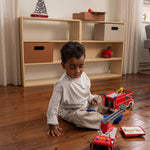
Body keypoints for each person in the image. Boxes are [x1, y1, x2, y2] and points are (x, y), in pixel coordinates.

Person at [47, 41, 103, 136]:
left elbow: (85, 89)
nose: (77, 71)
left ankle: (93, 115)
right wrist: (52, 123)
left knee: (98, 98)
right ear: (63, 65)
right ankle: (99, 119)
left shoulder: (83, 75)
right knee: (79, 117)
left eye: (81, 66)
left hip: (84, 104)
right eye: (72, 67)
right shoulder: (61, 85)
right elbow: (53, 105)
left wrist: (90, 97)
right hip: (71, 111)